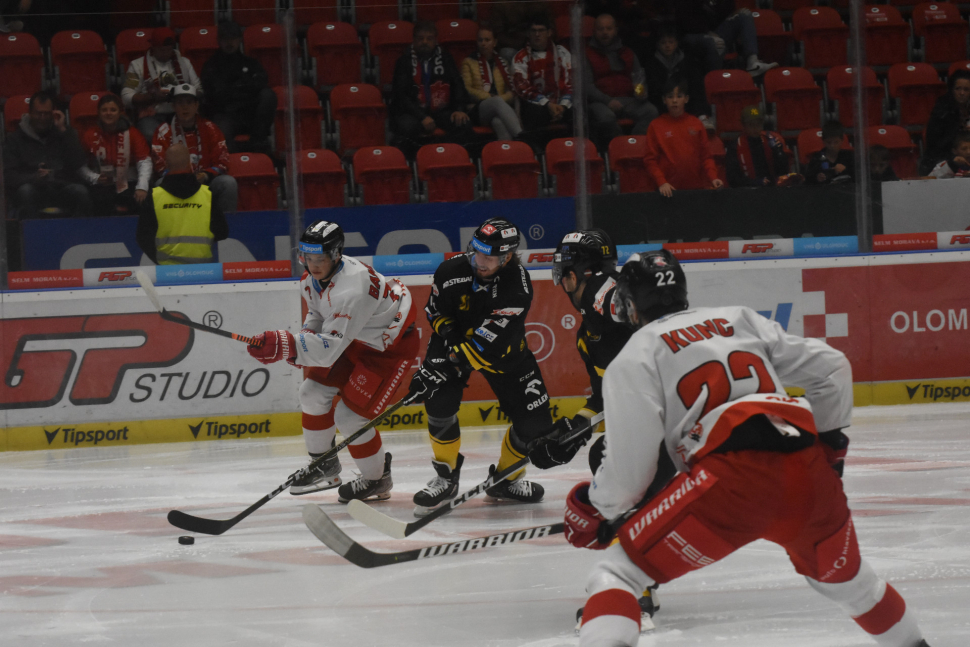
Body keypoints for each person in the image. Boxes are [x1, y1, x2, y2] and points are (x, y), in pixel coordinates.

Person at [565, 250, 929, 647]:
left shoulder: (634, 356)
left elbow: (628, 479)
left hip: (729, 482)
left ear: (631, 303)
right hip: (806, 468)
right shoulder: (738, 319)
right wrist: (831, 454)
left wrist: (595, 508)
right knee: (855, 587)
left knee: (616, 575)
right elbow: (833, 367)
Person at [540, 230, 661, 632]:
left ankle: (635, 581)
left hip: (675, 415)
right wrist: (575, 427)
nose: (561, 280)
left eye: (564, 270)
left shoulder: (605, 295)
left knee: (615, 463)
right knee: (606, 455)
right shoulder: (592, 321)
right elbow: (607, 393)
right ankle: (639, 567)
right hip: (667, 410)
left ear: (577, 272)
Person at [246, 221, 419, 502]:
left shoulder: (352, 289)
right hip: (351, 339)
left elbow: (328, 350)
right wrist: (299, 340)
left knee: (350, 418)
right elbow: (317, 316)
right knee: (311, 394)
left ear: (336, 254)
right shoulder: (311, 280)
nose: (312, 265)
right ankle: (324, 464)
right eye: (307, 257)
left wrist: (285, 344)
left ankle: (377, 479)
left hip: (386, 349)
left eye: (320, 259)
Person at [407, 218, 556, 516]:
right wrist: (447, 336)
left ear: (507, 257)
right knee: (438, 401)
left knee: (535, 425)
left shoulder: (518, 288)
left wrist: (447, 365)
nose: (480, 262)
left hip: (504, 352)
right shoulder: (450, 270)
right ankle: (446, 476)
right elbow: (434, 310)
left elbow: (486, 346)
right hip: (454, 342)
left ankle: (505, 480)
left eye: (489, 257)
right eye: (477, 253)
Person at [151, 83, 238, 214]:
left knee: (228, 183)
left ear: (196, 105)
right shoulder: (163, 131)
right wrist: (182, 178)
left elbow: (223, 161)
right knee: (159, 184)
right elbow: (160, 166)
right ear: (173, 106)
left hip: (205, 182)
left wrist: (206, 175)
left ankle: (227, 228)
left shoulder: (211, 128)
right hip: (177, 183)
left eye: (189, 102)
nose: (185, 107)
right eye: (180, 103)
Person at [3, 90, 91, 218]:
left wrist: (63, 131)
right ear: (30, 113)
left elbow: (78, 164)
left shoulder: (65, 133)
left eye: (46, 113)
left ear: (53, 113)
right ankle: (32, 236)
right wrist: (34, 178)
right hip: (33, 188)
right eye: (38, 114)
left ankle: (80, 236)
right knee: (25, 192)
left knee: (81, 192)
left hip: (61, 187)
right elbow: (9, 176)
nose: (42, 118)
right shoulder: (14, 139)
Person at [136, 143, 228, 264]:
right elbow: (222, 232)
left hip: (167, 272)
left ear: (167, 165)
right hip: (203, 271)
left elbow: (143, 237)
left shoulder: (154, 196)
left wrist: (158, 259)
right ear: (190, 164)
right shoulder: (207, 195)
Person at [390, 21, 472, 154]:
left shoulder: (445, 58)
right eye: (420, 38)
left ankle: (453, 158)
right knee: (407, 126)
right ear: (414, 40)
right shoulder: (404, 61)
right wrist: (422, 117)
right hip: (413, 112)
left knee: (462, 123)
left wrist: (459, 109)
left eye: (429, 39)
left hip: (441, 110)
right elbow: (400, 95)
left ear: (436, 40)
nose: (424, 42)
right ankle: (414, 165)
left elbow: (457, 84)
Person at [201, 21, 277, 154]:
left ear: (240, 39)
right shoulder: (211, 66)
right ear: (219, 41)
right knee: (222, 128)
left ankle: (258, 146)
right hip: (226, 115)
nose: (229, 42)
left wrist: (235, 90)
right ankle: (231, 165)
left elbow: (261, 83)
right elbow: (215, 96)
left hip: (250, 115)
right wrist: (244, 88)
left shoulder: (251, 63)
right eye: (225, 39)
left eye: (233, 38)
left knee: (268, 95)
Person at [585, 14, 658, 150]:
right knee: (606, 117)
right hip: (600, 103)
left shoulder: (628, 52)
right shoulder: (587, 54)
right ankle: (620, 151)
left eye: (609, 28)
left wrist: (641, 93)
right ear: (594, 31)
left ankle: (637, 149)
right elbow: (587, 87)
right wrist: (607, 101)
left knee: (650, 111)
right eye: (601, 29)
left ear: (615, 30)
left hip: (628, 100)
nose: (605, 32)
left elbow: (639, 80)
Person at [644, 76, 723, 197]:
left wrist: (713, 178)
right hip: (668, 192)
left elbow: (706, 157)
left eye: (679, 96)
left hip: (696, 190)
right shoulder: (655, 126)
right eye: (670, 97)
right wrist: (661, 182)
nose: (674, 100)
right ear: (664, 100)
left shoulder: (696, 123)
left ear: (686, 99)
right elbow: (650, 160)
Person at [121, 27, 202, 144]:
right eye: (161, 50)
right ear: (153, 47)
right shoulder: (136, 65)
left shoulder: (185, 63)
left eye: (168, 49)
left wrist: (182, 94)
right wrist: (152, 97)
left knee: (198, 129)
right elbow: (126, 97)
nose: (165, 53)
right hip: (152, 115)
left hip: (181, 112)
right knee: (150, 133)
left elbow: (198, 89)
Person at [78, 93, 152, 215]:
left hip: (129, 182)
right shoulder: (89, 135)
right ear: (99, 113)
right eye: (104, 110)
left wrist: (142, 187)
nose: (108, 113)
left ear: (120, 113)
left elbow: (144, 161)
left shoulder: (133, 133)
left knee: (145, 198)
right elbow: (80, 165)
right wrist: (95, 178)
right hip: (102, 184)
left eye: (113, 110)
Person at [676, 0, 777, 76]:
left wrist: (735, 15)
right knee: (714, 42)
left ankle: (753, 62)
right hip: (694, 35)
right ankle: (715, 79)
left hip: (717, 32)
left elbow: (727, 12)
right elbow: (686, 21)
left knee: (744, 14)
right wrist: (708, 33)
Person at [642, 23, 712, 129]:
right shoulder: (651, 64)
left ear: (676, 43)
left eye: (671, 42)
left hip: (685, 100)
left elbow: (694, 85)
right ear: (657, 44)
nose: (667, 46)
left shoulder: (687, 61)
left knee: (696, 84)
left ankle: (702, 117)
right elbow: (653, 89)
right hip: (662, 103)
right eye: (663, 42)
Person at [461, 25, 523, 141]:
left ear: (495, 42)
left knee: (498, 122)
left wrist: (499, 98)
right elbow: (467, 89)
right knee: (496, 102)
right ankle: (523, 138)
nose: (483, 43)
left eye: (487, 40)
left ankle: (510, 154)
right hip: (477, 108)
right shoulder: (469, 62)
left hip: (498, 107)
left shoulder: (503, 63)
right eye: (480, 40)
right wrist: (489, 97)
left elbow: (512, 92)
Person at [512, 16, 573, 133]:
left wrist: (563, 106)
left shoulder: (563, 53)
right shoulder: (520, 57)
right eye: (533, 31)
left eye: (541, 30)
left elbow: (571, 82)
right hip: (538, 106)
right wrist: (547, 104)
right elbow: (523, 89)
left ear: (549, 32)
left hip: (561, 103)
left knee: (581, 111)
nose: (537, 34)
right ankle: (536, 149)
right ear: (528, 34)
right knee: (532, 112)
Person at [725, 105, 791, 188]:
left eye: (758, 124)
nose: (755, 128)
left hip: (772, 191)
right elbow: (733, 178)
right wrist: (754, 183)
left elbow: (783, 173)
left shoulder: (771, 141)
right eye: (751, 125)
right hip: (746, 193)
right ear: (743, 126)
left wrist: (779, 153)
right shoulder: (734, 147)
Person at [923, 69, 970, 175]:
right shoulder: (941, 112)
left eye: (966, 89)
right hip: (941, 163)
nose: (962, 93)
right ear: (952, 90)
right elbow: (935, 145)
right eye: (958, 89)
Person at [807, 120, 854, 185]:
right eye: (828, 142)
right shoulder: (817, 158)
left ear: (842, 140)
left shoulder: (849, 156)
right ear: (823, 141)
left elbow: (857, 176)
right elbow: (808, 179)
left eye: (836, 142)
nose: (832, 146)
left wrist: (846, 169)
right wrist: (817, 178)